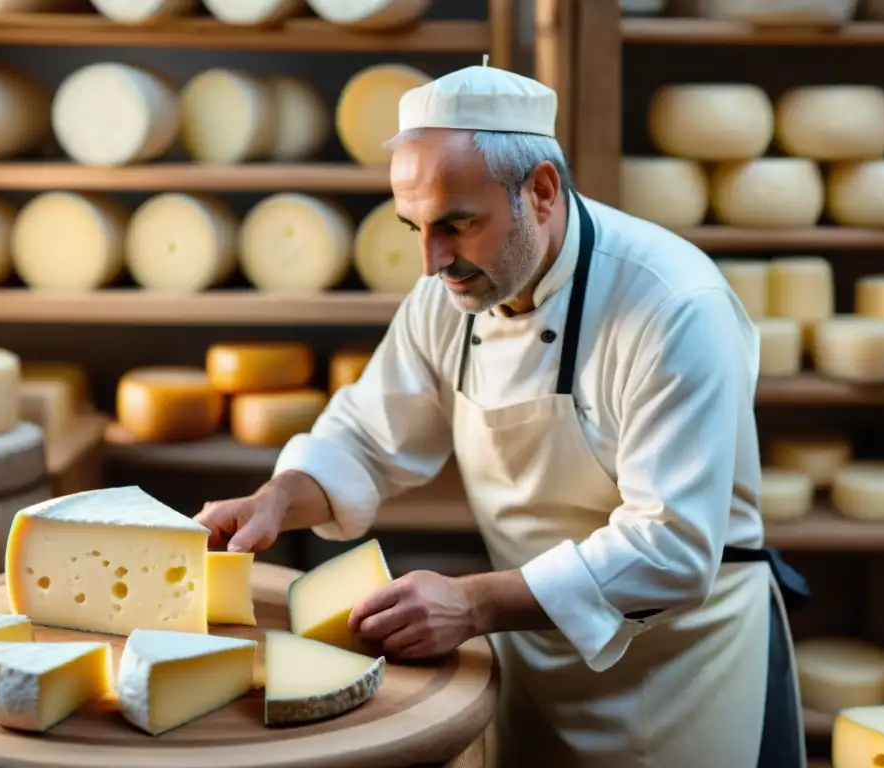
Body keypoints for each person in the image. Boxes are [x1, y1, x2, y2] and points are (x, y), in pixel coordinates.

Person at [196, 59, 810, 768]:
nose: (432, 262)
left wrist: (476, 605)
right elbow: (368, 434)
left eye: (459, 224)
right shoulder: (452, 293)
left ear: (542, 192)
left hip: (679, 670)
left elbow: (670, 547)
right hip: (535, 646)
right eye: (414, 226)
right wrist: (276, 500)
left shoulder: (673, 305)